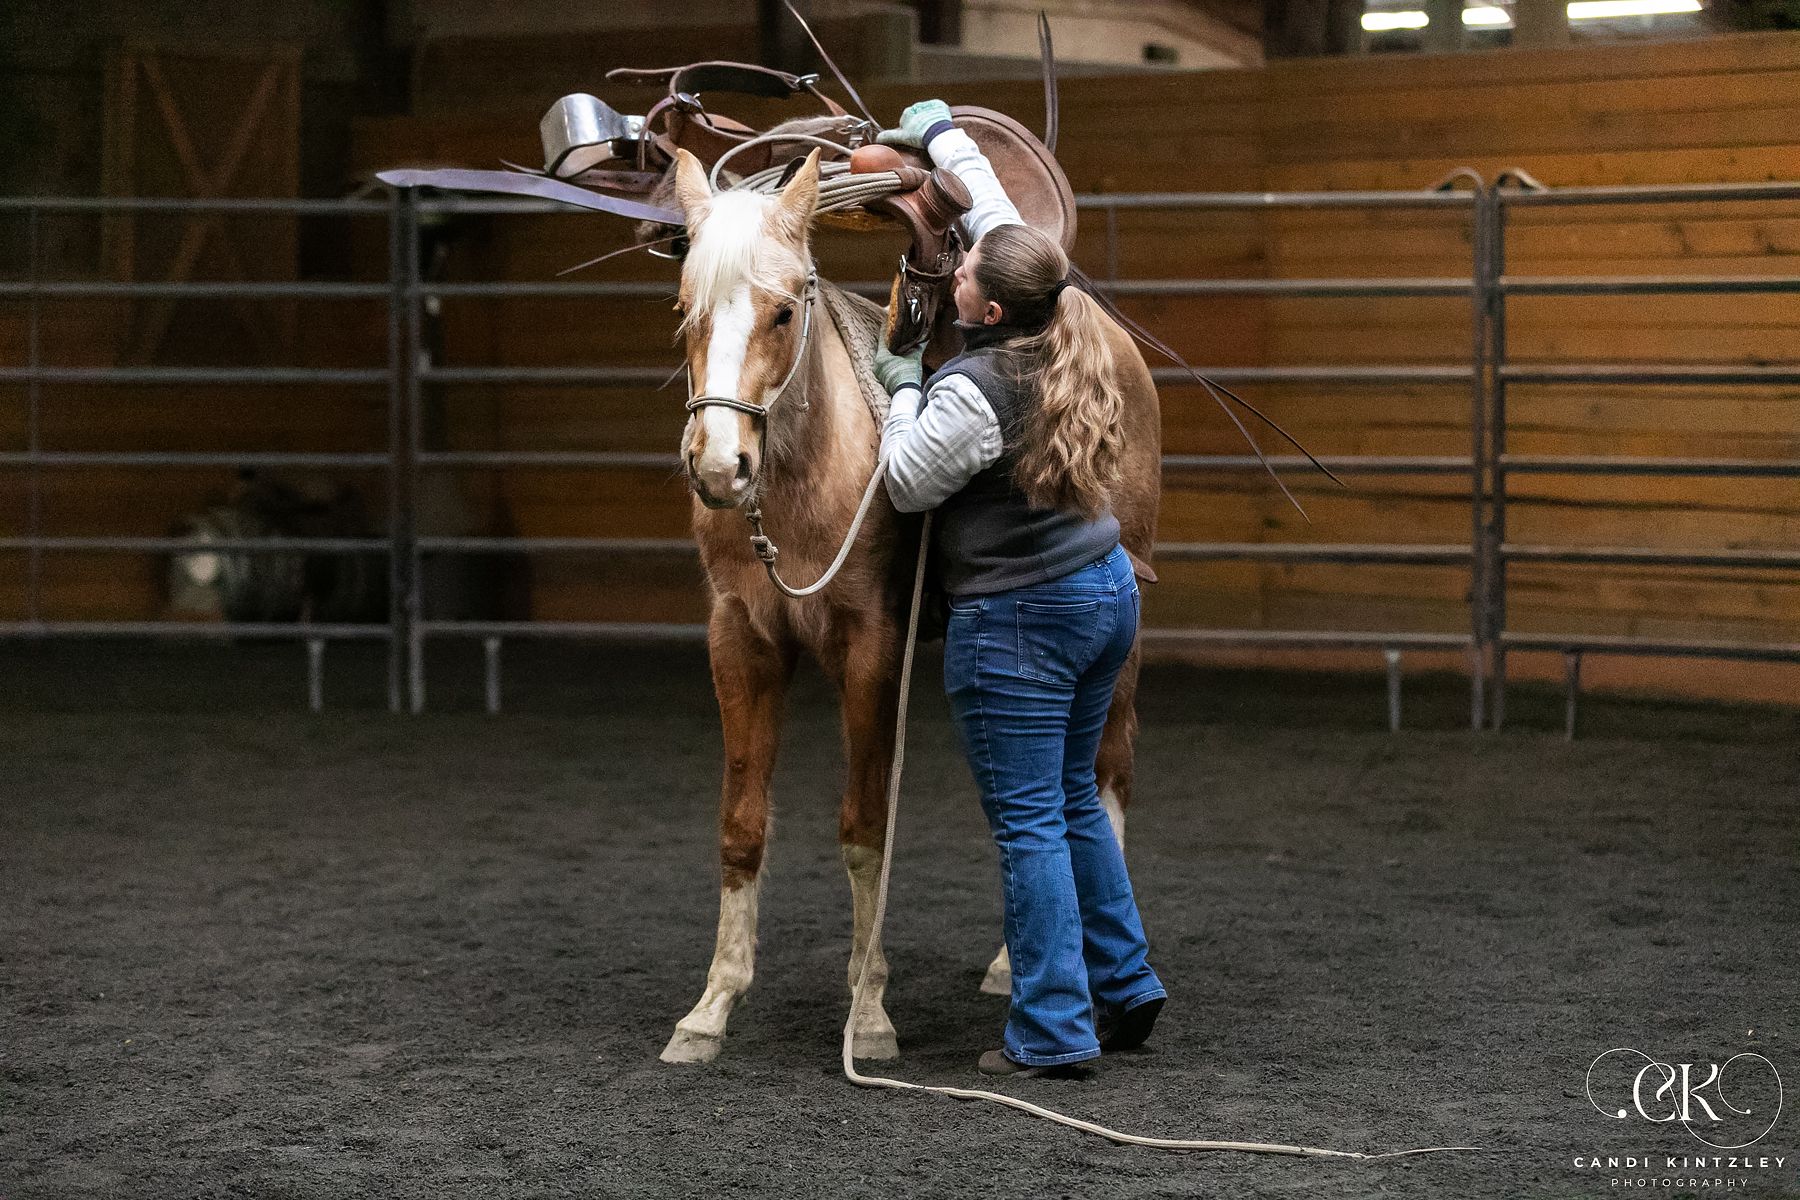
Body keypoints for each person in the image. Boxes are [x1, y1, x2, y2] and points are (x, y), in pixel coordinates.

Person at [872, 100, 1166, 1080]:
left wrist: (902, 382)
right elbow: (998, 215)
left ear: (988, 308)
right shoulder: (1056, 309)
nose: (955, 265)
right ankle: (1125, 984)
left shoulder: (975, 388)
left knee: (1033, 823)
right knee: (1075, 802)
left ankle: (1051, 1031)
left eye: (963, 271)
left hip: (1018, 625)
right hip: (1100, 592)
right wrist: (946, 136)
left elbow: (909, 477)